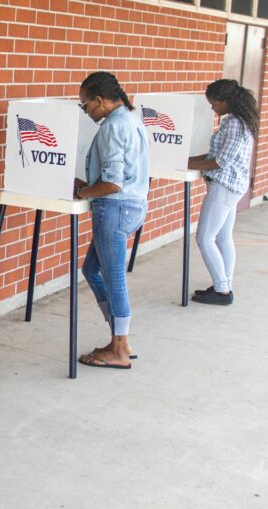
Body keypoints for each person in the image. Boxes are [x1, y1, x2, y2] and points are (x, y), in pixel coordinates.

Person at [73, 71, 149, 370]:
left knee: (113, 278)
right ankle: (119, 340)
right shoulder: (131, 119)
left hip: (115, 207)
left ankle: (119, 347)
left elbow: (113, 183)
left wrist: (84, 191)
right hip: (132, 205)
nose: (87, 111)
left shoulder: (113, 127)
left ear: (100, 100)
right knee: (91, 269)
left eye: (86, 105)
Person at [187, 79, 259, 306]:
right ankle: (224, 283)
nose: (212, 108)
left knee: (205, 238)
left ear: (226, 101)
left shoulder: (235, 124)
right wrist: (189, 160)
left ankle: (221, 291)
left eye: (214, 103)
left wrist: (190, 164)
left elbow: (220, 161)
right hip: (233, 187)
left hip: (224, 188)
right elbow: (213, 156)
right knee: (223, 237)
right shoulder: (236, 121)